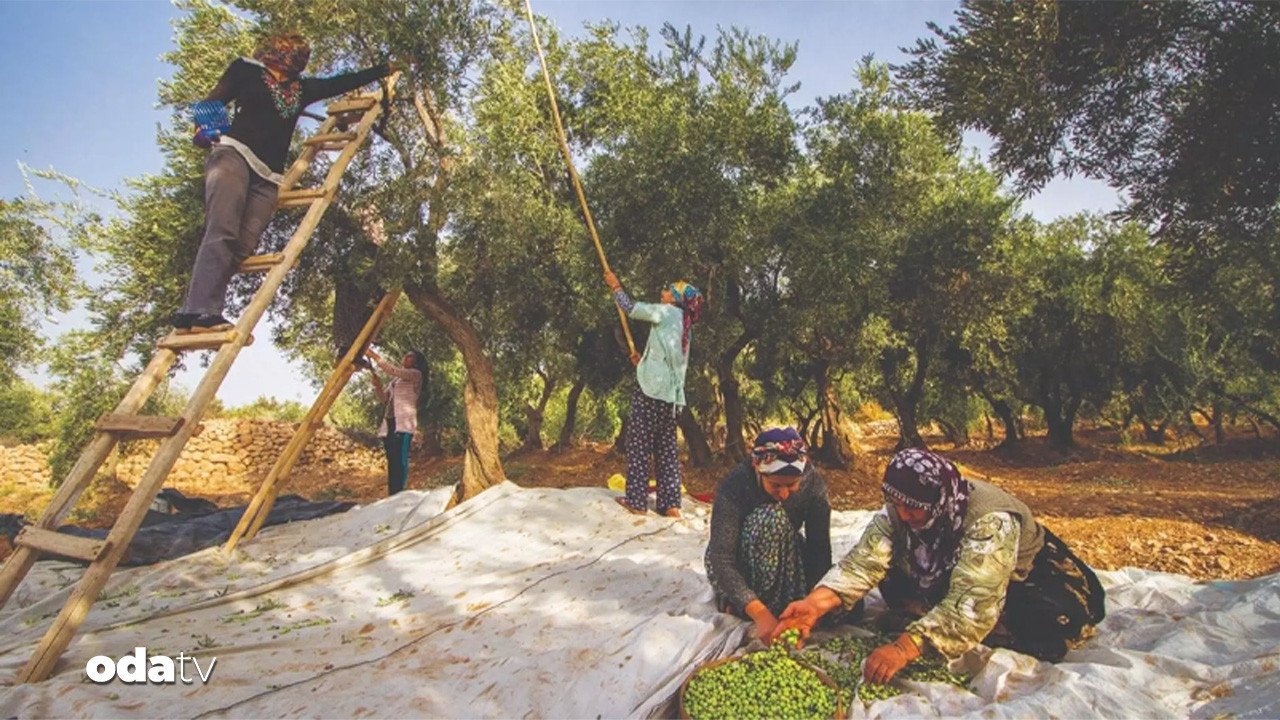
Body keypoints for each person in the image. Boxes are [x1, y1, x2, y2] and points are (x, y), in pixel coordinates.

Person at [772, 448, 1106, 684]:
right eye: (897, 505)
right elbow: (861, 565)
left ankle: (958, 626)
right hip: (953, 575)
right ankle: (942, 623)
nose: (903, 515)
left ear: (939, 499)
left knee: (1050, 623)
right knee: (891, 578)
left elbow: (975, 599)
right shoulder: (899, 513)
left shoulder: (989, 520)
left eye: (913, 508)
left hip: (1027, 578)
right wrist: (814, 605)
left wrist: (905, 647)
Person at [173, 34, 394, 333]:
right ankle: (200, 312)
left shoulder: (300, 89)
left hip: (269, 176)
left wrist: (382, 70)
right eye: (291, 52)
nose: (295, 58)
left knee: (244, 244)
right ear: (276, 51)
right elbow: (212, 101)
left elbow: (337, 83)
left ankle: (197, 312)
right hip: (233, 156)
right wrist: (205, 131)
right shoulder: (246, 69)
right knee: (222, 229)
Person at [704, 427, 832, 644]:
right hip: (741, 564)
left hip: (783, 552)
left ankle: (783, 605)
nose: (783, 494)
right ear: (758, 469)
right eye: (775, 485)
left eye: (791, 485)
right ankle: (745, 603)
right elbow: (721, 557)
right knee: (769, 517)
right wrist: (759, 613)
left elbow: (819, 548)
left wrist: (812, 604)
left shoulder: (813, 483)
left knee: (847, 607)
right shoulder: (736, 485)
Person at [604, 270, 704, 518]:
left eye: (670, 289)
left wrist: (616, 287)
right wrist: (643, 362)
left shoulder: (666, 311)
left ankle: (637, 502)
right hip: (671, 397)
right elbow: (668, 357)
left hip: (651, 391)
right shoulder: (685, 325)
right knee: (666, 447)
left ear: (676, 299)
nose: (664, 291)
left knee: (638, 444)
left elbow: (631, 309)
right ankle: (670, 504)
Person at [366, 348, 426, 496]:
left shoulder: (415, 375)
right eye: (406, 355)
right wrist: (378, 386)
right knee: (392, 461)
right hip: (390, 423)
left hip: (404, 424)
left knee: (400, 459)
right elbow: (384, 398)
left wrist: (374, 356)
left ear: (416, 362)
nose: (406, 357)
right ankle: (392, 493)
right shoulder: (395, 381)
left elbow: (393, 370)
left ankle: (400, 492)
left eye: (410, 356)